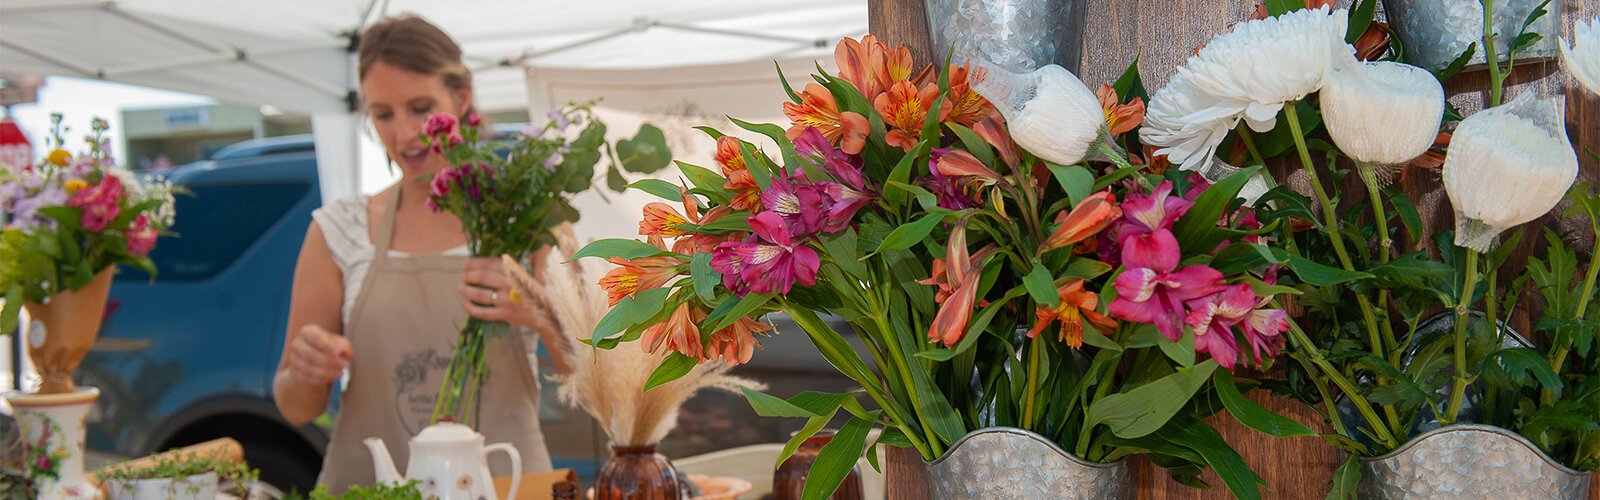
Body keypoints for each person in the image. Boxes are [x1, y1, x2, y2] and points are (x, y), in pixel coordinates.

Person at [272, 15, 573, 493]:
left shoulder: (527, 222)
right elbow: (296, 406)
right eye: (383, 114)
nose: (405, 134)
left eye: (419, 107)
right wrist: (306, 369)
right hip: (368, 487)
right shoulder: (339, 230)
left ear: (461, 99)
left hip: (506, 486)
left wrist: (539, 311)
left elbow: (586, 373)